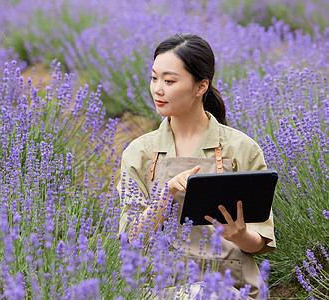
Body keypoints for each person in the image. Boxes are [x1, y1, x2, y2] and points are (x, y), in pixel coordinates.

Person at [117, 33, 276, 299]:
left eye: (169, 81)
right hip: (159, 288)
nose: (157, 88)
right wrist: (164, 196)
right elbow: (129, 241)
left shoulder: (241, 149)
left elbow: (260, 242)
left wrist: (239, 235)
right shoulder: (140, 152)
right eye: (154, 78)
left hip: (232, 286)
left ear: (201, 87)